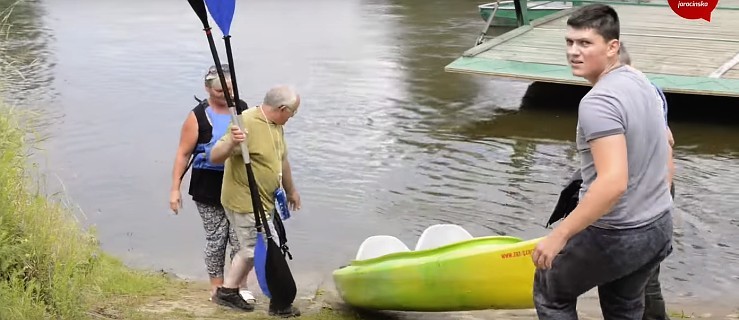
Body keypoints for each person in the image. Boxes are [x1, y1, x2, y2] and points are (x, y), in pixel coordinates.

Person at [531, 4, 674, 320]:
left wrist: (560, 235)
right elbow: (667, 144)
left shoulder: (598, 103)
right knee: (623, 304)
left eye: (585, 43)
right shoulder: (641, 81)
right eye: (569, 42)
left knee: (551, 290)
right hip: (658, 225)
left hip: (618, 233)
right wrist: (655, 201)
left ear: (612, 47)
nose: (573, 52)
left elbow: (613, 183)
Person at [209, 85, 303, 317]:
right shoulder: (246, 122)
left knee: (259, 247)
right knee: (255, 250)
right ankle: (232, 292)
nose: (292, 117)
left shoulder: (276, 125)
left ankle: (235, 292)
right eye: (293, 113)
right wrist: (231, 142)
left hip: (266, 200)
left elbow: (282, 161)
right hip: (245, 201)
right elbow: (214, 156)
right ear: (282, 108)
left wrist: (291, 190)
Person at [168, 64, 254, 302]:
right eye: (220, 91)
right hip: (208, 184)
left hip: (237, 183)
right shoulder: (197, 116)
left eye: (231, 89)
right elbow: (183, 154)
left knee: (241, 238)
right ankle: (216, 287)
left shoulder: (243, 109)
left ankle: (238, 286)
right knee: (217, 238)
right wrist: (175, 189)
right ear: (207, 89)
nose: (227, 95)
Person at [619, 44, 675, 320]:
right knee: (642, 274)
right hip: (657, 185)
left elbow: (666, 142)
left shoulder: (627, 94)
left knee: (642, 277)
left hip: (646, 188)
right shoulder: (648, 88)